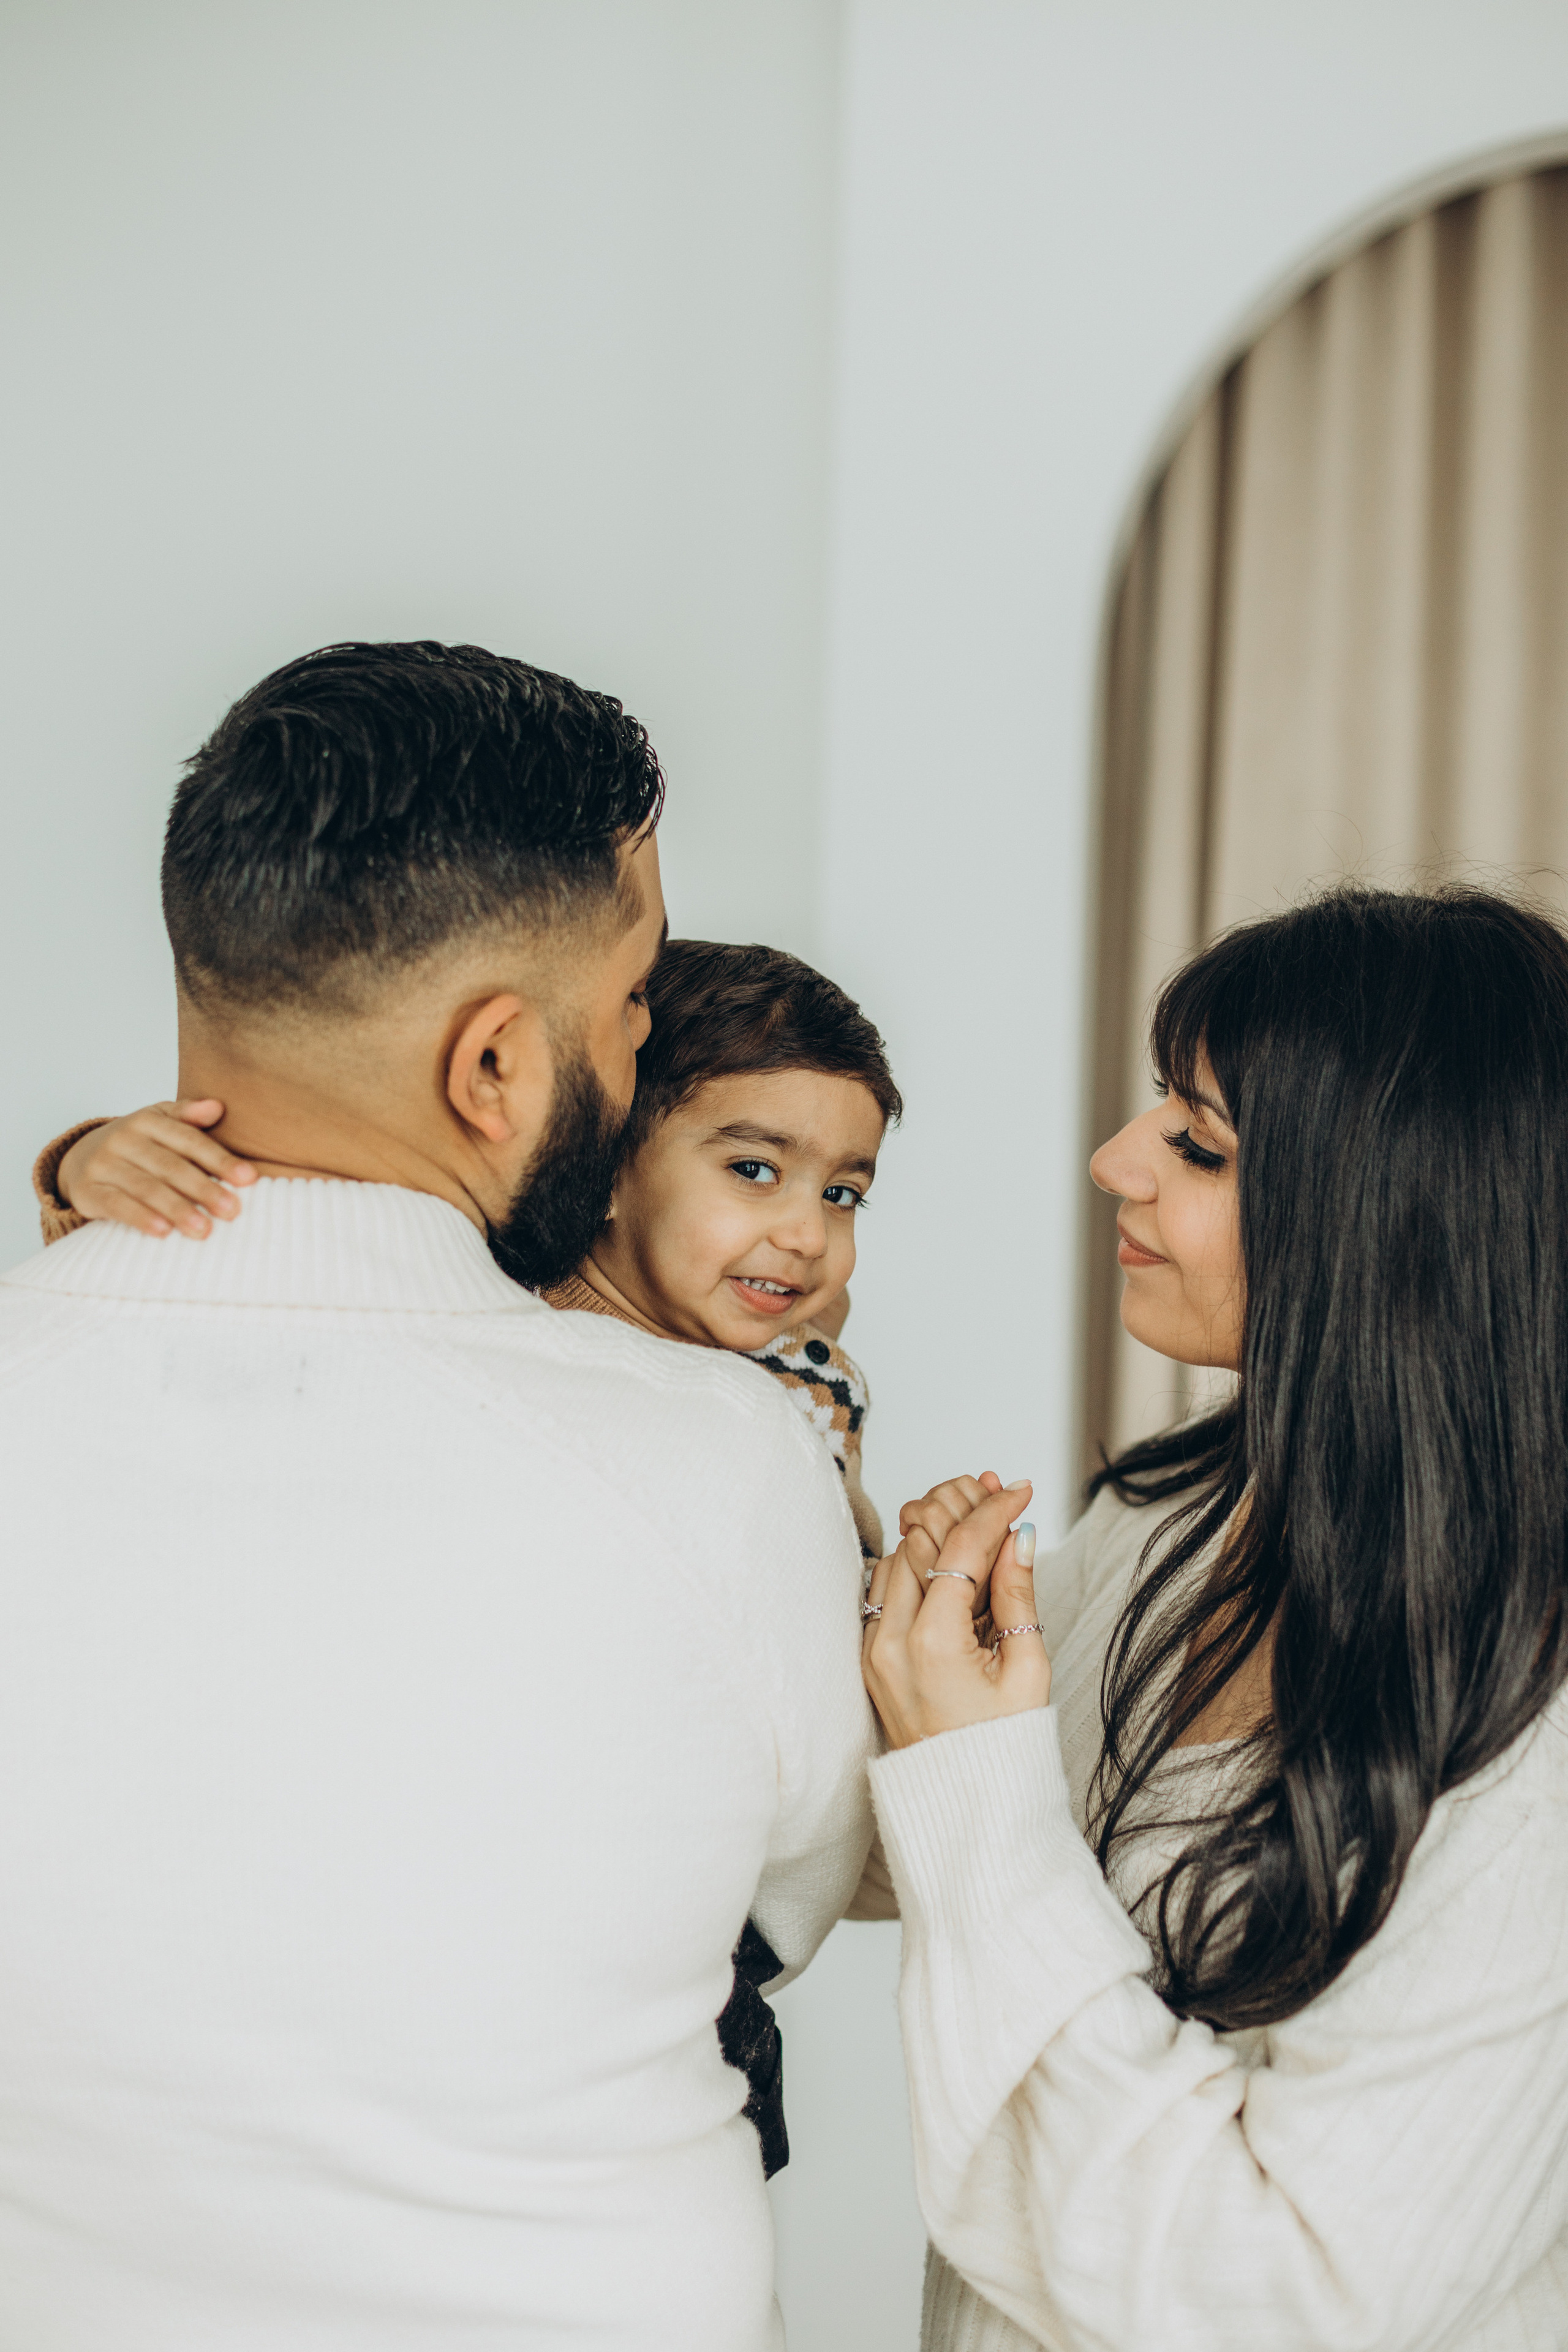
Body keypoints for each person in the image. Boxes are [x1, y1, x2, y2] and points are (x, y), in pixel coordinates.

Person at [0, 639, 876, 2350]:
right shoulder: (722, 1461)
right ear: (493, 1069)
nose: (639, 1048)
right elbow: (787, 1900)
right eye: (632, 1008)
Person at [31, 934, 904, 2175]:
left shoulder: (800, 1381)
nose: (806, 1235)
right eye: (753, 1170)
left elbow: (806, 1738)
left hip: (674, 1955)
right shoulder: (489, 1295)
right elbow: (270, 1265)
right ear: (608, 1164)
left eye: (843, 1195)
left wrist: (890, 1582)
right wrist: (82, 1163)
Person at [861, 885, 1568, 2352]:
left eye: (1196, 1145)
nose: (1112, 1160)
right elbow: (884, 1843)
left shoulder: (1534, 1745)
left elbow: (1281, 2301)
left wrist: (972, 1770)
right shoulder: (1178, 1517)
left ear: (1390, 1224)